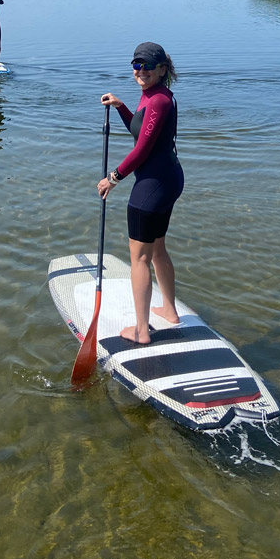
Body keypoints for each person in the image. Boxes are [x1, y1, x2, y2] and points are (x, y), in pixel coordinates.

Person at [97, 42, 184, 346]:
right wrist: (122, 107)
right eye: (137, 65)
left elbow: (143, 148)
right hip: (166, 179)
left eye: (148, 66)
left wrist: (114, 177)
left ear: (163, 69)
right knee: (157, 249)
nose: (141, 71)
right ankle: (170, 312)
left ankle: (142, 331)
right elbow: (141, 129)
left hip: (153, 185)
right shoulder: (154, 96)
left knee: (139, 259)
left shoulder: (158, 100)